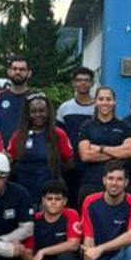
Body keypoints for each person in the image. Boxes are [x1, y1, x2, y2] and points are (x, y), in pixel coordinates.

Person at [6, 92, 71, 207]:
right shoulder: (18, 136)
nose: (38, 114)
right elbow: (10, 162)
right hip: (24, 195)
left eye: (42, 111)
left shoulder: (58, 134)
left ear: (48, 112)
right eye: (33, 111)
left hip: (50, 198)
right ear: (28, 114)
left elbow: (70, 163)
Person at [76, 87, 131, 205]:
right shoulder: (87, 126)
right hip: (92, 182)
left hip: (119, 183)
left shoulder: (124, 126)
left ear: (114, 102)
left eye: (108, 99)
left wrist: (100, 149)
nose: (105, 102)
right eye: (101, 99)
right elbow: (86, 155)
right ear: (96, 102)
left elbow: (129, 152)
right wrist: (118, 153)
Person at [56, 66, 95, 201]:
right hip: (70, 165)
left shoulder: (99, 108)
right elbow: (58, 136)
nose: (83, 83)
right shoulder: (64, 108)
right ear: (73, 83)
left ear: (92, 83)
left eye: (86, 80)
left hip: (92, 164)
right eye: (79, 80)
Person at [0, 56, 32, 144]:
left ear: (29, 73)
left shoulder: (34, 100)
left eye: (22, 69)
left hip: (27, 152)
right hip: (2, 152)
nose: (18, 72)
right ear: (9, 72)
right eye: (14, 69)